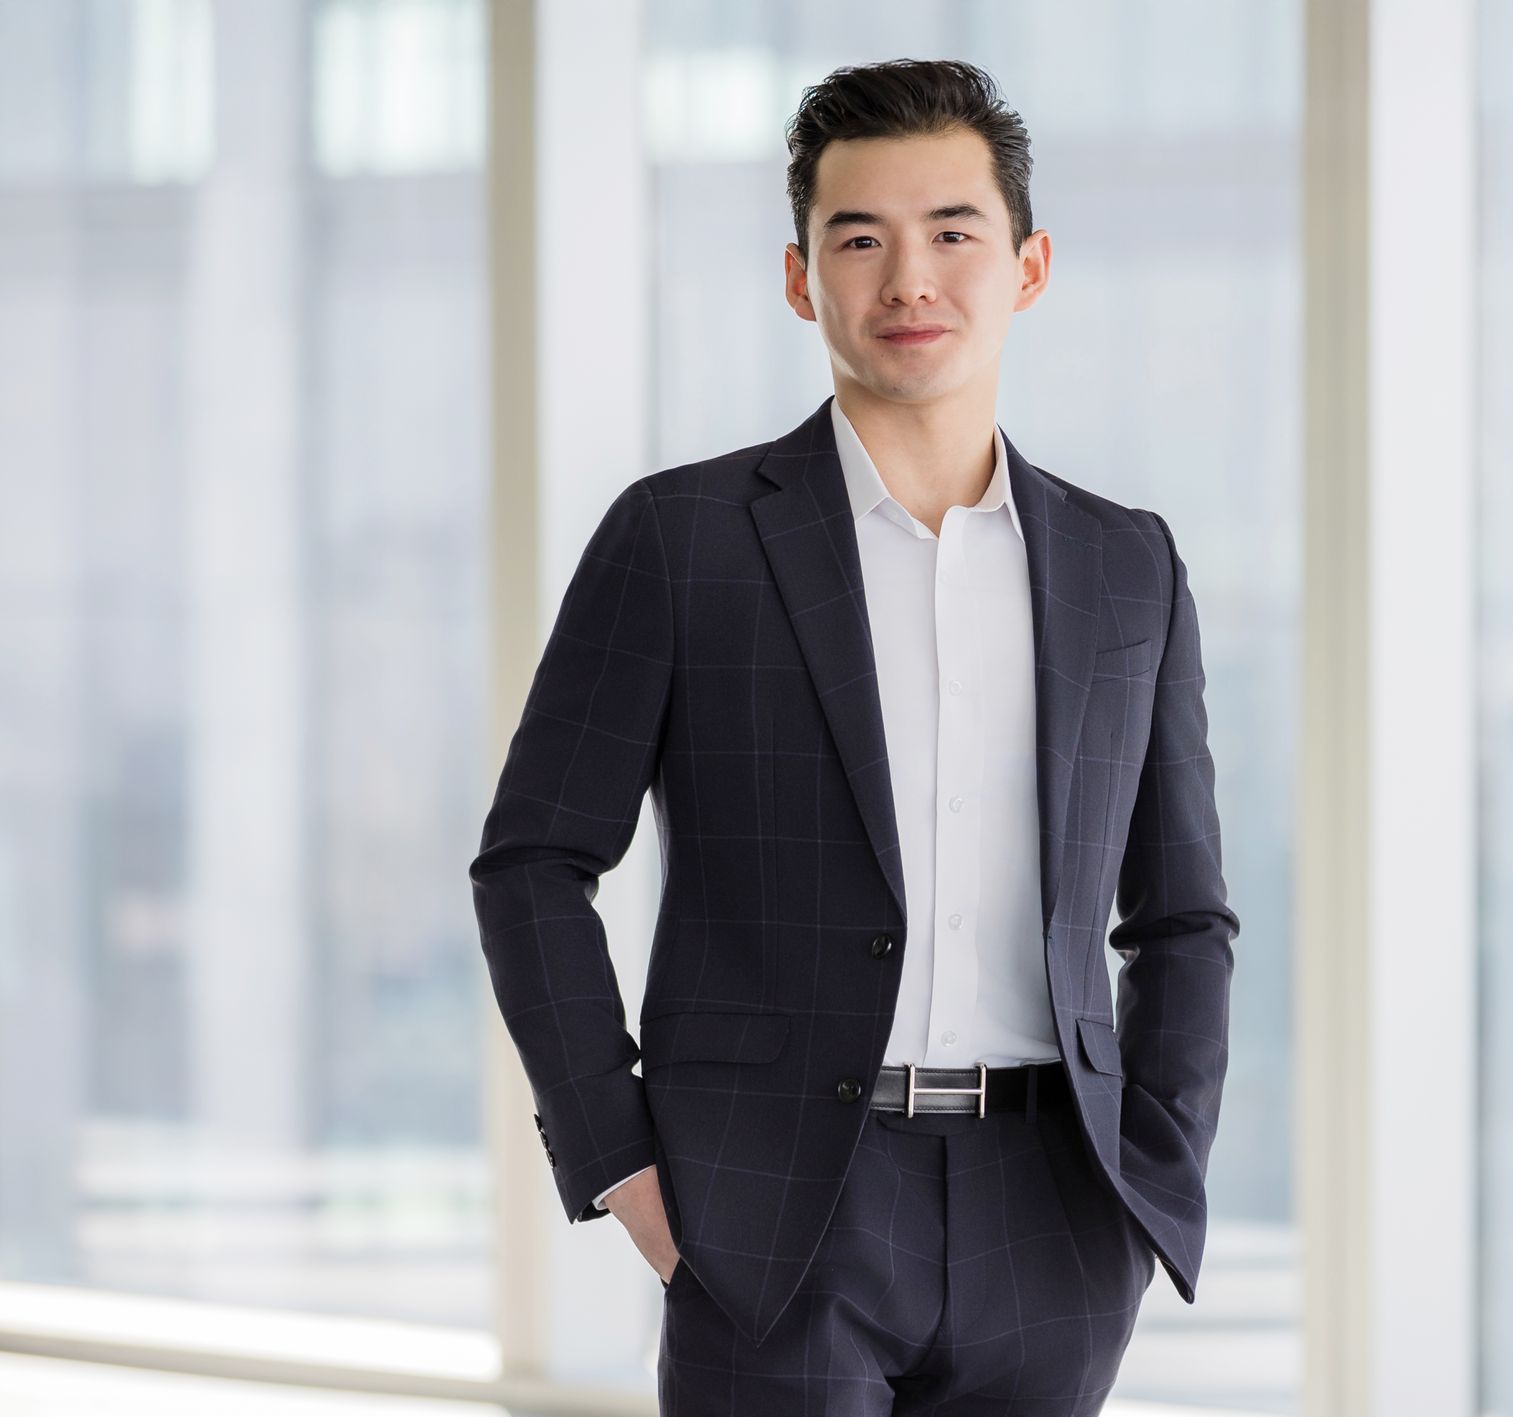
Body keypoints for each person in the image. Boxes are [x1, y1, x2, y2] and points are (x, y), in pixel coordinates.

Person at [469, 56, 1238, 1416]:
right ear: (798, 275)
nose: (910, 282)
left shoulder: (1129, 568)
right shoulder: (680, 541)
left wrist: (1154, 1165)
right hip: (771, 1210)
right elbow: (532, 861)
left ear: (1031, 265)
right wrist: (620, 1157)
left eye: (954, 233)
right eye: (859, 239)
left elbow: (1179, 914)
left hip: (1053, 1207)